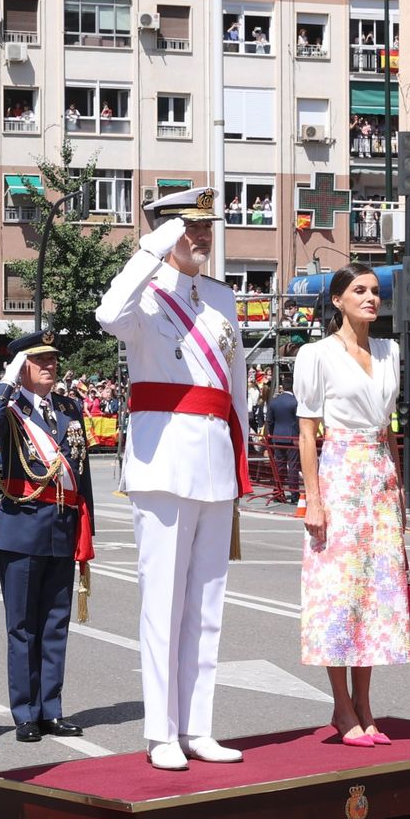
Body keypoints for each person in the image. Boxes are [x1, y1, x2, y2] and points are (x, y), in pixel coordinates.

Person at [96, 186, 247, 771]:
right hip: (162, 460)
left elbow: (233, 388)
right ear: (164, 231)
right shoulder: (143, 297)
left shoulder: (221, 299)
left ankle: (197, 726)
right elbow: (107, 314)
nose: (202, 237)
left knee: (207, 604)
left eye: (208, 227)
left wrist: (239, 457)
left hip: (212, 458)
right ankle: (161, 730)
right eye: (191, 227)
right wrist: (156, 245)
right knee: (162, 601)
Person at [296, 264, 410, 744]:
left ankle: (366, 704)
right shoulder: (316, 354)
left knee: (378, 594)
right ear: (338, 300)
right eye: (359, 291)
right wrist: (314, 501)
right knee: (338, 595)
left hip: (380, 477)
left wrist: (398, 486)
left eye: (376, 291)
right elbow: (307, 433)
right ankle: (343, 708)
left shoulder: (390, 351)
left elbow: (387, 428)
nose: (371, 298)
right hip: (339, 474)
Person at [0, 330, 96, 743]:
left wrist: (86, 528)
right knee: (23, 626)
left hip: (62, 526)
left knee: (56, 625)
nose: (49, 365)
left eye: (52, 359)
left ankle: (52, 709)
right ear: (20, 367)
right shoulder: (6, 409)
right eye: (38, 360)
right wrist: (7, 381)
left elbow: (82, 476)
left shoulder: (68, 408)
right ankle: (25, 712)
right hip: (22, 528)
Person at [266, 370, 300, 502]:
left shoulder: (274, 402)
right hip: (292, 438)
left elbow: (269, 420)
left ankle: (277, 492)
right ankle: (294, 494)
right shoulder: (295, 402)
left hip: (277, 438)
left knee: (279, 466)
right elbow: (298, 421)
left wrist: (273, 434)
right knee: (293, 466)